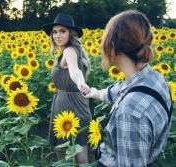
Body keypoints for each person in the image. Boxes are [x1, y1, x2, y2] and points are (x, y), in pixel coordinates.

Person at [83, 10, 173, 167]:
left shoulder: (131, 111)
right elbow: (120, 91)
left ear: (112, 48)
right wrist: (94, 93)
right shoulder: (154, 79)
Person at [42, 14, 92, 164]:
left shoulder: (69, 51)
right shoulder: (74, 51)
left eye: (62, 31)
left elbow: (75, 71)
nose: (57, 35)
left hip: (66, 105)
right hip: (80, 104)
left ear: (71, 33)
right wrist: (81, 85)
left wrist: (80, 83)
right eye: (55, 32)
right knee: (82, 153)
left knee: (62, 154)